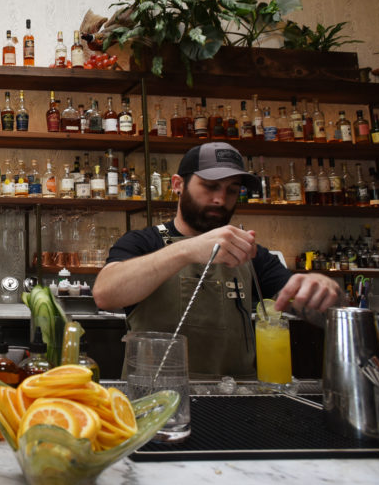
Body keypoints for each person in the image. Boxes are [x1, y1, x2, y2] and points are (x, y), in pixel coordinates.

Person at [92, 142, 341, 379]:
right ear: (178, 184)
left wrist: (324, 291)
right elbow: (105, 294)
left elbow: (317, 311)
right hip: (158, 403)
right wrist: (187, 250)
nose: (221, 199)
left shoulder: (249, 254)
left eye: (232, 190)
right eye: (210, 186)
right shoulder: (144, 242)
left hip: (237, 402)